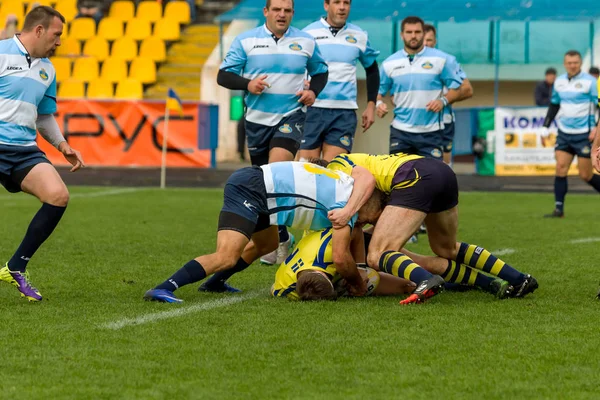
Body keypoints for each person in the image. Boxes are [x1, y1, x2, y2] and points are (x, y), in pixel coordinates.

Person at [143, 161, 380, 303]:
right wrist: (358, 284)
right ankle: (165, 287)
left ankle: (215, 283)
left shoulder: (346, 181)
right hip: (253, 189)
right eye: (375, 216)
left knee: (266, 244)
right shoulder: (346, 207)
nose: (369, 222)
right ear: (371, 202)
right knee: (226, 255)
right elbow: (340, 258)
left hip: (260, 188)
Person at [325, 153, 538, 304]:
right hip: (441, 173)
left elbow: (367, 180)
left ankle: (425, 280)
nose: (358, 222)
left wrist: (346, 212)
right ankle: (518, 279)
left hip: (413, 177)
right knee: (446, 249)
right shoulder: (360, 165)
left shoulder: (333, 168)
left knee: (377, 254)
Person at [217, 0, 329, 265]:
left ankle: (280, 240)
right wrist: (248, 83)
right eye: (277, 9)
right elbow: (223, 76)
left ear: (292, 13)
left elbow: (321, 72)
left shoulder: (306, 41)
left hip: (291, 116)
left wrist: (313, 91)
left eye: (287, 10)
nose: (282, 14)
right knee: (264, 186)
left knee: (277, 173)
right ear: (266, 12)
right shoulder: (246, 40)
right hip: (256, 122)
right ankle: (282, 237)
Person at [0, 6, 85, 302]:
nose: (59, 41)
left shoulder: (48, 69)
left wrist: (63, 146)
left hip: (23, 150)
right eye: (56, 34)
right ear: (38, 30)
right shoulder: (1, 52)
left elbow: (44, 116)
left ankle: (15, 268)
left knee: (58, 196)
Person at [273, 226, 513, 302]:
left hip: (352, 238)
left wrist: (360, 268)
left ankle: (484, 280)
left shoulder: (329, 251)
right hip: (337, 247)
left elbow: (354, 232)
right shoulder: (287, 288)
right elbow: (276, 289)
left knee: (420, 262)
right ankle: (465, 285)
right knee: (405, 284)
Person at [299, 0, 380, 162]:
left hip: (344, 112)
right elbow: (297, 65)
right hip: (312, 109)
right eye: (337, 2)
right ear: (326, 5)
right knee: (307, 169)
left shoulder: (360, 35)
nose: (342, 7)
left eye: (346, 3)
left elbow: (372, 69)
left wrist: (371, 105)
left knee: (334, 170)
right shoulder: (307, 34)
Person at [376, 16, 464, 161]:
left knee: (432, 179)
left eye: (417, 32)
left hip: (432, 132)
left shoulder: (441, 60)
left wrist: (443, 101)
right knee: (401, 179)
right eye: (409, 32)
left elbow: (460, 88)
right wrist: (379, 104)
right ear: (401, 34)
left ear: (423, 34)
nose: (413, 36)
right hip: (400, 132)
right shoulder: (389, 64)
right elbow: (377, 93)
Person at [541, 50, 599, 218]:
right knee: (560, 168)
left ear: (580, 63)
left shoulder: (591, 82)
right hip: (564, 133)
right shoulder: (559, 82)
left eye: (575, 62)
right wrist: (545, 126)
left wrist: (596, 128)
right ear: (565, 64)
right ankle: (559, 209)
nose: (572, 65)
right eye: (569, 62)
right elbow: (554, 105)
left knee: (586, 175)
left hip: (584, 134)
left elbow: (599, 106)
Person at [423, 24, 473, 165]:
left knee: (443, 164)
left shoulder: (446, 61)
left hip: (443, 121)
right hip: (413, 123)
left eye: (429, 40)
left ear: (435, 41)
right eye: (423, 40)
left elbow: (468, 89)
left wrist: (444, 100)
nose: (426, 44)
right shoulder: (406, 62)